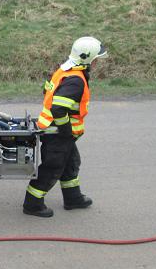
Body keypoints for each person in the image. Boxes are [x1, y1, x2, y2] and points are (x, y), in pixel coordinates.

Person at [23, 36, 107, 218]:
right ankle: (32, 203)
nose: (97, 63)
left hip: (57, 131)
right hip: (57, 132)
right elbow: (59, 108)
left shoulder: (65, 69)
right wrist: (66, 130)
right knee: (53, 167)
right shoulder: (75, 80)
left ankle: (73, 198)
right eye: (96, 60)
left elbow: (48, 90)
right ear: (88, 60)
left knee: (71, 163)